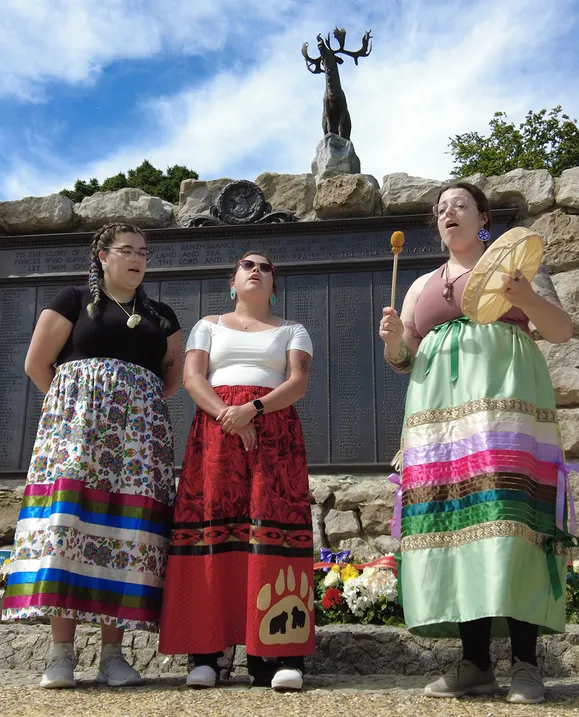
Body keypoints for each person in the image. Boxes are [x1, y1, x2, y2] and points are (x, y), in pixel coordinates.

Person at [380, 182, 573, 705]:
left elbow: (560, 331)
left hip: (506, 412)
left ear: (483, 217)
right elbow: (405, 362)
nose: (448, 213)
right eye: (440, 208)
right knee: (458, 525)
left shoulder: (516, 267)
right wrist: (396, 341)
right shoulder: (421, 285)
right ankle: (476, 664)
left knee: (510, 519)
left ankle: (528, 666)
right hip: (438, 424)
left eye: (459, 205)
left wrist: (526, 296)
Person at [1, 223, 182, 688]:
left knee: (123, 533)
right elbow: (37, 363)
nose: (138, 258)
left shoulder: (163, 315)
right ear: (102, 255)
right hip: (77, 436)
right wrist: (74, 406)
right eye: (127, 250)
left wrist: (133, 407)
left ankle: (112, 656)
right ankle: (60, 656)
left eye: (144, 251)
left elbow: (171, 378)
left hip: (137, 444)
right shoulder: (72, 300)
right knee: (69, 529)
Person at [159, 251, 315, 691]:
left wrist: (253, 409)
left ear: (274, 285)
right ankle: (209, 653)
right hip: (215, 435)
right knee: (213, 533)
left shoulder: (293, 329)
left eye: (266, 268)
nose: (257, 271)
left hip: (275, 435)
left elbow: (298, 381)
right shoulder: (206, 326)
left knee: (275, 533)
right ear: (233, 282)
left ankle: (278, 655)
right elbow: (192, 377)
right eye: (248, 265)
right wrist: (229, 415)